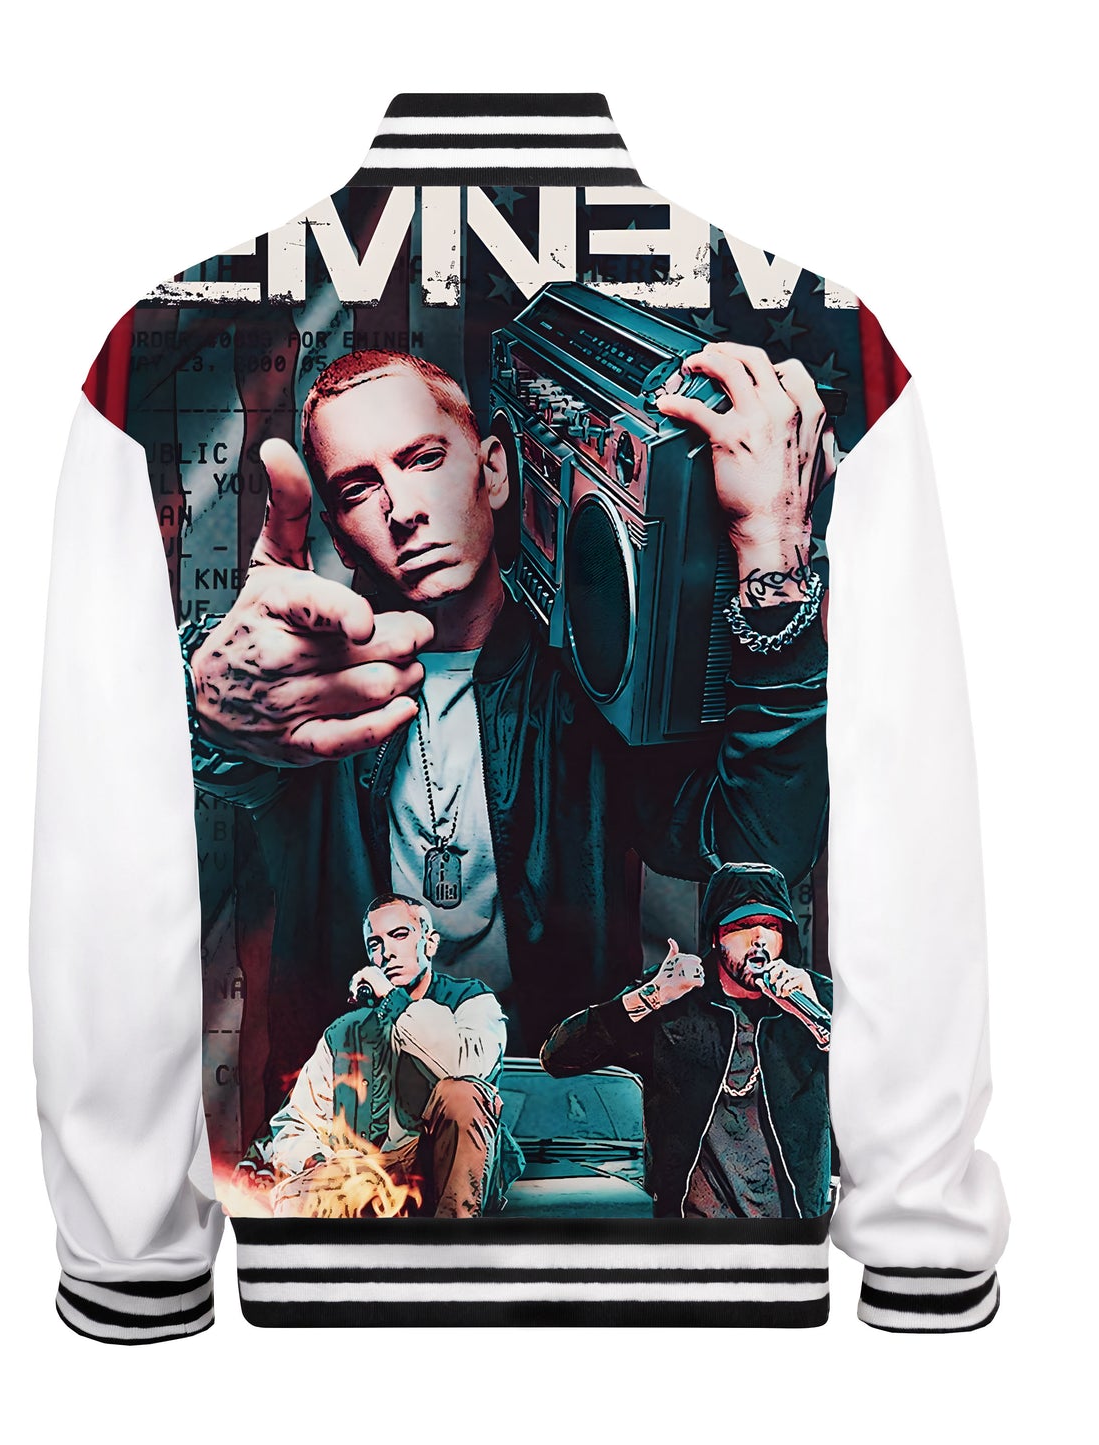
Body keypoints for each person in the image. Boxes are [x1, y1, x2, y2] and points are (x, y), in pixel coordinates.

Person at [183, 342, 833, 1116]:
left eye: (423, 459)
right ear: (339, 532)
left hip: (555, 1117)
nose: (402, 508)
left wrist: (770, 551)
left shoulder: (586, 683)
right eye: (360, 488)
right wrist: (198, 698)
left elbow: (758, 845)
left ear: (493, 469)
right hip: (359, 1133)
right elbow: (228, 754)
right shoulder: (314, 694)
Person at [539, 861, 833, 1219]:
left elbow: (882, 1085)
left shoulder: (817, 998)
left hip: (790, 1225)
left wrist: (815, 1015)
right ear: (715, 935)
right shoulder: (674, 999)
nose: (759, 938)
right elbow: (559, 1056)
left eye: (771, 926)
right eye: (742, 926)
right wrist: (652, 996)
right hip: (693, 1229)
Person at [258, 892, 523, 1218]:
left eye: (399, 935)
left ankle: (452, 1239)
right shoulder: (344, 1033)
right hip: (371, 1174)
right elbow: (295, 1122)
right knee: (294, 1197)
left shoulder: (470, 1001)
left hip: (443, 1172)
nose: (387, 953)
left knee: (462, 1093)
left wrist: (394, 1000)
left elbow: (463, 1065)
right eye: (375, 944)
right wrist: (318, 1162)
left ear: (429, 943)